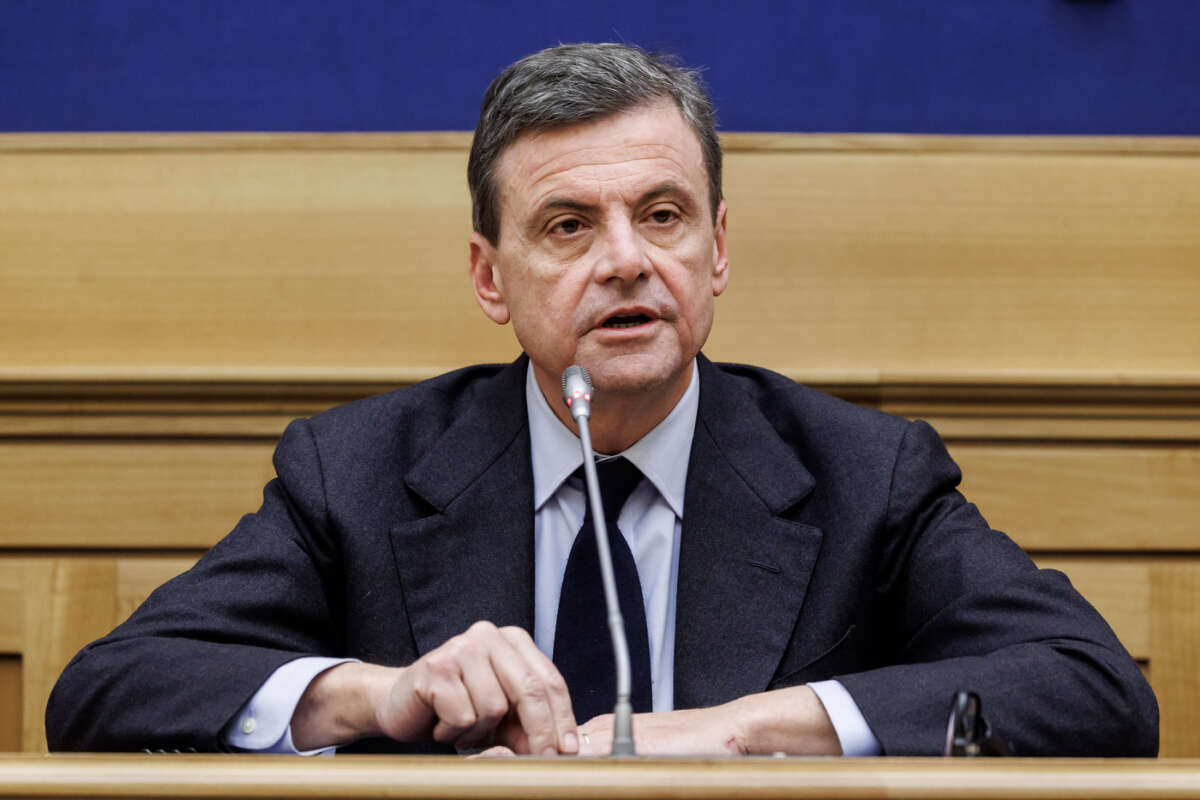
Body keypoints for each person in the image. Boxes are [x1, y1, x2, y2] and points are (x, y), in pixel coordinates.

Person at [46, 42, 1156, 758]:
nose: (626, 261)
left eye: (663, 216)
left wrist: (748, 729)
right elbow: (108, 689)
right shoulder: (359, 472)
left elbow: (1095, 689)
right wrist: (376, 695)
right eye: (569, 226)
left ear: (718, 249)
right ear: (490, 277)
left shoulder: (866, 476)